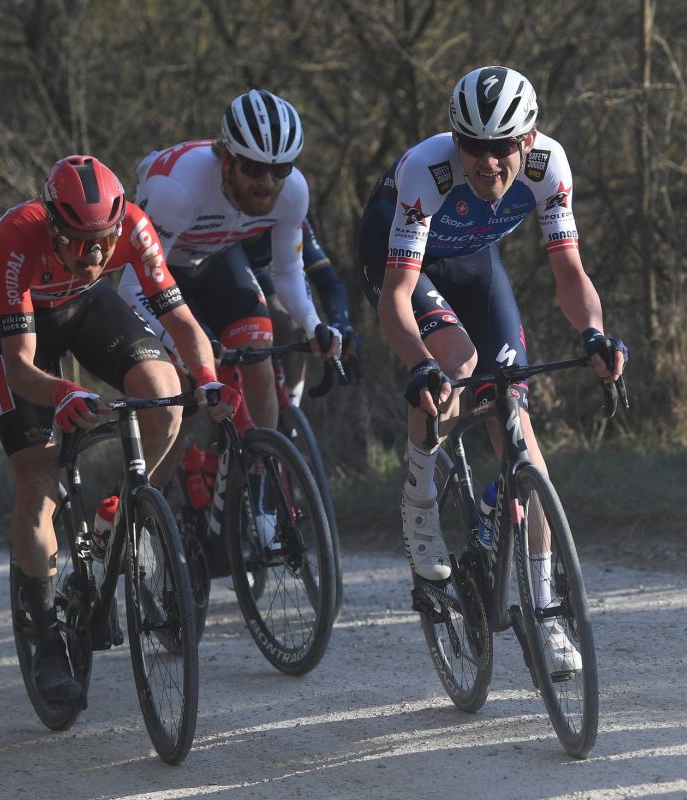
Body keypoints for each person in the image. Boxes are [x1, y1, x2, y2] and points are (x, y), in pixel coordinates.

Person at [356, 66, 627, 673]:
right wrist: (420, 364)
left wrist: (593, 334)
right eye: (473, 145)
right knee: (455, 363)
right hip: (403, 261)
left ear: (527, 140)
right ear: (456, 138)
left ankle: (547, 613)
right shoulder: (427, 170)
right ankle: (419, 500)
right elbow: (396, 297)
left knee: (519, 429)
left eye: (502, 146)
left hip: (474, 260)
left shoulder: (548, 166)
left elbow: (570, 273)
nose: (488, 162)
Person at [0, 155, 236, 703]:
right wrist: (62, 392)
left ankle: (120, 516)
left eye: (104, 241)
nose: (95, 254)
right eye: (80, 242)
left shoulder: (134, 227)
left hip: (86, 306)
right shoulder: (18, 238)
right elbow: (19, 366)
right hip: (20, 329)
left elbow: (181, 320)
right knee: (38, 481)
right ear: (52, 226)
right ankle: (48, 638)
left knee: (165, 395)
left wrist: (209, 380)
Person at [117, 89, 341, 434]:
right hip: (159, 274)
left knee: (258, 354)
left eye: (280, 169)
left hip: (214, 260)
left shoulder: (293, 190)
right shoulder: (176, 190)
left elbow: (288, 271)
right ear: (226, 160)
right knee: (184, 391)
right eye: (254, 169)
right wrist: (186, 346)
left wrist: (313, 324)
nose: (268, 183)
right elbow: (131, 287)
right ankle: (176, 463)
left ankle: (264, 463)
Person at [242, 216, 360, 405]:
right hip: (211, 270)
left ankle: (291, 406)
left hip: (258, 274)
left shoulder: (291, 214)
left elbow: (327, 281)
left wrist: (340, 322)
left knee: (291, 326)